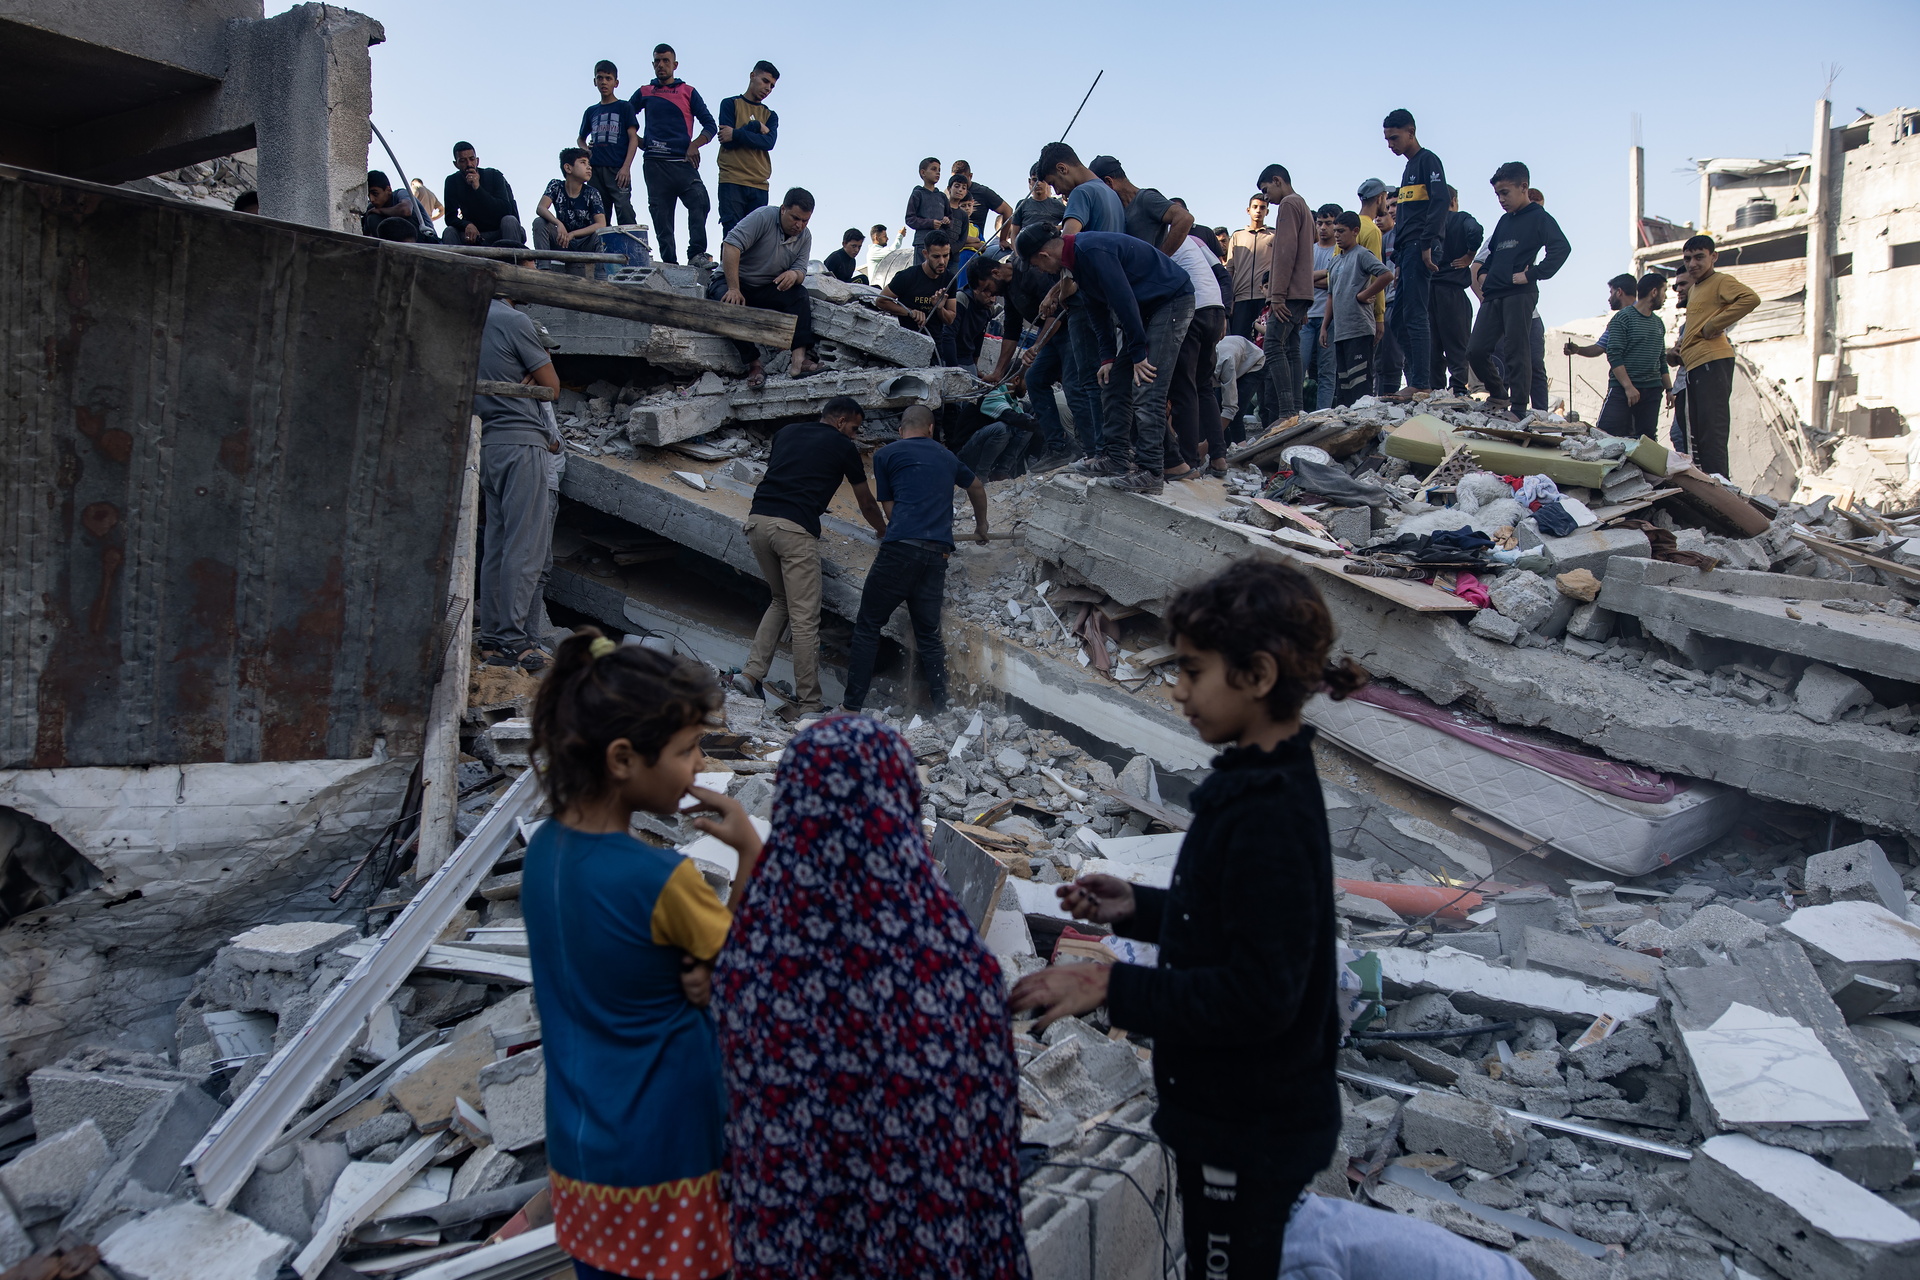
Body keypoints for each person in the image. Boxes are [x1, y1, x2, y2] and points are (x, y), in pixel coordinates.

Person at [1011, 557, 1360, 1280]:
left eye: (1193, 672)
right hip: (1234, 1116)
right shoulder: (1255, 784)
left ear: (1257, 676)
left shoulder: (1271, 815)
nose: (1177, 691)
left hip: (1250, 1125)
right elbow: (1232, 921)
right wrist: (1138, 910)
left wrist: (1110, 988)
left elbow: (1260, 995)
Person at [715, 716, 1030, 1280]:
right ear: (901, 806)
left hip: (791, 1249)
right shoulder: (949, 964)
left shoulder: (753, 955)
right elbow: (990, 1138)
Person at [524, 632, 764, 1280]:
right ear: (624, 758)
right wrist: (749, 853)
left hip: (583, 1149)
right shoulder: (661, 881)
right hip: (670, 1151)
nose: (697, 768)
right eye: (687, 751)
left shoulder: (543, 852)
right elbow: (753, 970)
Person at [1019, 223, 1194, 495]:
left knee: (1147, 385)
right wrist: (1107, 357)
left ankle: (1151, 471)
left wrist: (1138, 352)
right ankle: (1115, 457)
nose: (1042, 272)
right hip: (1146, 310)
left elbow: (1123, 300)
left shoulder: (1090, 251)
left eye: (1037, 265)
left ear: (1043, 255)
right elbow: (1097, 310)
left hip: (1170, 302)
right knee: (1113, 383)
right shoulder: (1076, 262)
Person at [736, 396, 885, 716]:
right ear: (841, 421)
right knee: (805, 620)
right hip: (794, 531)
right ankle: (810, 706)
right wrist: (884, 530)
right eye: (855, 428)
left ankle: (749, 675)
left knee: (780, 601)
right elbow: (866, 502)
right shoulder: (844, 447)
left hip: (757, 522)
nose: (856, 435)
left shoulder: (787, 432)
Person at [840, 404, 989, 713]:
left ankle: (851, 707)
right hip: (937, 555)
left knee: (868, 625)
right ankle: (943, 708)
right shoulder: (947, 457)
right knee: (929, 636)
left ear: (900, 430)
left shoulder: (885, 455)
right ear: (931, 429)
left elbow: (890, 511)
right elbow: (975, 486)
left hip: (900, 549)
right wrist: (981, 525)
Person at [475, 298, 561, 672]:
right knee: (525, 547)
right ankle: (513, 640)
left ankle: (493, 640)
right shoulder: (514, 320)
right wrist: (536, 369)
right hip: (522, 441)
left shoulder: (470, 317)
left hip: (487, 443)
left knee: (497, 544)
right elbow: (552, 387)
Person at [1467, 162, 1569, 419]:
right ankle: (1499, 393)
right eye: (1497, 194)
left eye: (1505, 192)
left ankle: (1520, 408)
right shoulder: (1504, 221)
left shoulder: (1539, 217)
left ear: (1523, 187)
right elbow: (1493, 255)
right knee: (1476, 350)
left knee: (1517, 350)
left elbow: (1561, 248)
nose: (1501, 199)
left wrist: (1532, 274)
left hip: (1518, 294)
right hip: (1494, 294)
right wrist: (1483, 273)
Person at [717, 189, 820, 385]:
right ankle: (754, 364)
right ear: (783, 209)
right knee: (728, 304)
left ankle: (799, 361)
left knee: (799, 295)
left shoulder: (805, 236)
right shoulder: (763, 217)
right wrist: (734, 288)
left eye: (805, 221)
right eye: (795, 218)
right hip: (734, 281)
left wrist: (794, 275)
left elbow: (800, 269)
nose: (799, 225)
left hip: (764, 286)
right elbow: (731, 245)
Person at [1676, 234, 1759, 476]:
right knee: (1698, 436)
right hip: (1695, 365)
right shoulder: (1696, 289)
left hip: (1712, 361)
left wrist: (1713, 326)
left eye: (1699, 257)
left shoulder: (1721, 281)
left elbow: (1750, 299)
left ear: (1713, 257)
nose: (1693, 264)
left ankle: (1721, 488)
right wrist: (1679, 349)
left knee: (1712, 433)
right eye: (1688, 258)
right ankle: (1709, 486)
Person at [1381, 108, 1446, 397]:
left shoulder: (1427, 161)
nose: (1391, 144)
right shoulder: (1407, 170)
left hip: (1421, 245)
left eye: (1395, 138)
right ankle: (1416, 376)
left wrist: (1429, 243)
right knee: (1398, 317)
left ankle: (1422, 383)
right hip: (1405, 250)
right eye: (1387, 139)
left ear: (1411, 132)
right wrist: (1397, 260)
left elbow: (1440, 201)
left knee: (1416, 314)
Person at [632, 44, 717, 265]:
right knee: (662, 219)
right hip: (655, 165)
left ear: (675, 65)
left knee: (700, 200)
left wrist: (695, 145)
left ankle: (697, 254)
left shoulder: (687, 91)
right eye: (657, 61)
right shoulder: (644, 92)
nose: (661, 65)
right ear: (652, 64)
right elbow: (624, 118)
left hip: (682, 162)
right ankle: (670, 263)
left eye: (666, 61)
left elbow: (710, 125)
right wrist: (640, 142)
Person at [1257, 164, 1316, 424]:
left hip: (1289, 292)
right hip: (1302, 291)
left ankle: (1286, 411)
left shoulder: (1289, 205)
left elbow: (1285, 252)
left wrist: (1277, 295)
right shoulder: (1302, 204)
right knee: (1291, 347)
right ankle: (1297, 409)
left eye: (1266, 189)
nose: (1266, 197)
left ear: (1277, 180)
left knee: (1272, 345)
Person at [1168, 230, 1228, 480]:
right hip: (1214, 310)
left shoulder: (1164, 238)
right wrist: (1225, 310)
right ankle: (1219, 458)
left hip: (1191, 309)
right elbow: (1223, 275)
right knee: (1203, 386)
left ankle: (1188, 461)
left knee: (1185, 387)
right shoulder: (1196, 242)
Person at [1322, 211, 1392, 407]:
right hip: (1341, 331)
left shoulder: (1362, 254)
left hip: (1359, 328)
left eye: (1341, 231)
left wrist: (1364, 294)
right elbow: (1331, 295)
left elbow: (1386, 275)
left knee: (1360, 384)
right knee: (1344, 386)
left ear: (1355, 231)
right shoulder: (1335, 261)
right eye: (1335, 231)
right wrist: (1324, 326)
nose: (1336, 235)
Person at [1595, 273, 1672, 440]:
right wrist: (1629, 387)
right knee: (1604, 436)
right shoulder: (1623, 318)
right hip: (1623, 391)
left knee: (1646, 442)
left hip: (1651, 391)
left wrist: (1669, 390)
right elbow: (1614, 355)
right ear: (1654, 292)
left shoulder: (1658, 323)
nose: (1665, 297)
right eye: (1664, 291)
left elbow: (1661, 360)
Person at [715, 60, 780, 236]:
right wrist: (755, 127)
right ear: (753, 76)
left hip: (759, 183)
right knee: (733, 236)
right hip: (732, 179)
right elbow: (727, 141)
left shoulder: (770, 115)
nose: (768, 88)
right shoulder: (730, 104)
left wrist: (738, 132)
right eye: (765, 81)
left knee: (756, 241)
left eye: (772, 86)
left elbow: (769, 143)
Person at [1429, 186, 1483, 395]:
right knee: (1457, 344)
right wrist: (1470, 254)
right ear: (1453, 201)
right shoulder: (1460, 219)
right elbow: (1475, 230)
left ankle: (1436, 389)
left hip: (1430, 290)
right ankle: (1458, 388)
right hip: (1452, 291)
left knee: (1432, 345)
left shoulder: (1429, 223)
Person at [878, 232, 958, 363]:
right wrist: (910, 312)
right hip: (907, 346)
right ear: (925, 254)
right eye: (936, 256)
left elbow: (950, 319)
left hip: (934, 347)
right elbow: (881, 300)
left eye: (946, 255)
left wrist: (939, 308)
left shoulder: (950, 279)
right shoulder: (907, 276)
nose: (942, 261)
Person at [1089, 155, 1193, 254]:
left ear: (1108, 182)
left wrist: (1160, 259)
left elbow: (1184, 218)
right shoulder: (1118, 209)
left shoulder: (1146, 198)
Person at [577, 60, 639, 226]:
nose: (604, 82)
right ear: (594, 81)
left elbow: (633, 137)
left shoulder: (624, 107)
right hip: (596, 169)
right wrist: (586, 151)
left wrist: (626, 167)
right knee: (598, 213)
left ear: (616, 83)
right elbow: (581, 139)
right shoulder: (591, 111)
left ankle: (631, 248)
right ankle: (601, 250)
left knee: (624, 208)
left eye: (608, 78)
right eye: (600, 78)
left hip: (617, 168)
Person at [442, 142, 525, 246]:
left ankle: (513, 260)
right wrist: (466, 224)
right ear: (456, 164)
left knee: (509, 220)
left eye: (472, 159)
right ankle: (455, 262)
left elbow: (505, 210)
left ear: (477, 161)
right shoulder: (452, 181)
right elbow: (450, 218)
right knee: (449, 231)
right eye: (463, 161)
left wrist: (478, 189)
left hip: (499, 231)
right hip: (473, 235)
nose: (469, 164)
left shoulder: (494, 175)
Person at [535, 148, 607, 262]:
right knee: (539, 222)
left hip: (585, 244)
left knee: (601, 234)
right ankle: (544, 268)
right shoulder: (556, 186)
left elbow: (601, 224)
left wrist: (573, 234)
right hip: (563, 241)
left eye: (589, 164)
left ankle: (600, 276)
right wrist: (558, 223)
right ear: (568, 168)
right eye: (583, 162)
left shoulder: (592, 192)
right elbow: (541, 208)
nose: (589, 167)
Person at [1302, 203, 1340, 409]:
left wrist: (1312, 278)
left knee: (1327, 371)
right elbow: (1299, 279)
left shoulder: (1340, 251)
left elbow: (1336, 280)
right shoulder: (1310, 250)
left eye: (1328, 223)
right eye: (1320, 223)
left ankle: (1322, 414)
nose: (1323, 227)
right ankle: (1296, 415)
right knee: (1299, 367)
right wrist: (1324, 276)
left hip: (1331, 317)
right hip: (1306, 316)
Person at [1226, 196, 1274, 342]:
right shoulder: (1237, 236)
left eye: (1262, 207)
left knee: (1264, 342)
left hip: (1265, 298)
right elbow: (1229, 269)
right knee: (1238, 342)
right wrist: (1229, 300)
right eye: (1255, 207)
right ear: (1248, 210)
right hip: (1241, 298)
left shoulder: (1274, 235)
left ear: (1267, 211)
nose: (1258, 211)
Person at [1213, 333, 1264, 462]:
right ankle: (1223, 450)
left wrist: (1209, 442)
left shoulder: (1225, 362)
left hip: (1254, 363)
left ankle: (1242, 454)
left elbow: (1231, 408)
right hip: (1235, 356)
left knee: (1236, 413)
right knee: (1217, 408)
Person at [1563, 273, 1639, 359]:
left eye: (1611, 293)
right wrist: (1577, 350)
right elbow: (1598, 348)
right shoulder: (1618, 319)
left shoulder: (1640, 316)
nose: (1609, 299)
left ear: (1619, 292)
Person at [951, 159, 1015, 248]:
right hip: (952, 244)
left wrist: (1003, 239)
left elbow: (1007, 210)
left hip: (974, 246)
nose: (960, 188)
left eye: (963, 180)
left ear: (970, 176)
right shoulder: (947, 194)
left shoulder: (982, 192)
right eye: (956, 181)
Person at [904, 157, 951, 265]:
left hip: (940, 244)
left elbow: (950, 217)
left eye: (939, 170)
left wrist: (947, 220)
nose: (937, 173)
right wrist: (930, 223)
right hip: (922, 242)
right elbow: (910, 219)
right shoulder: (918, 194)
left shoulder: (942, 196)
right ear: (923, 172)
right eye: (934, 169)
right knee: (920, 276)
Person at [1665, 271, 1693, 452]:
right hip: (1682, 388)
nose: (1678, 290)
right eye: (1676, 286)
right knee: (1679, 436)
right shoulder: (1685, 324)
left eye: (1683, 285)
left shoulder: (1704, 318)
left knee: (1688, 439)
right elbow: (1673, 359)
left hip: (1694, 387)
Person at [362, 171, 421, 240]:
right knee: (372, 216)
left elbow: (406, 210)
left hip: (426, 238)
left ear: (388, 190)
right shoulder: (372, 207)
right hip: (397, 243)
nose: (372, 199)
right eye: (368, 195)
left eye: (375, 194)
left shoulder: (401, 194)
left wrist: (380, 211)